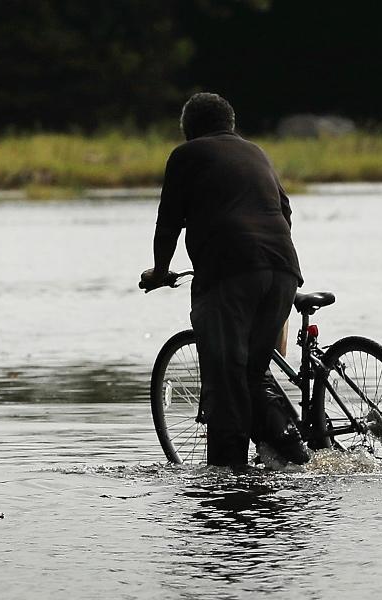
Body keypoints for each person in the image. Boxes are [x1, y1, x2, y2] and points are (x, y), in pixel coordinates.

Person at [141, 92, 308, 468]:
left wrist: (160, 270)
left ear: (188, 129)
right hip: (283, 269)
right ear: (230, 125)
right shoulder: (256, 152)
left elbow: (168, 223)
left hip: (230, 274)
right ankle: (297, 455)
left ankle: (225, 479)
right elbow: (284, 211)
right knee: (252, 372)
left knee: (226, 379)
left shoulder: (186, 155)